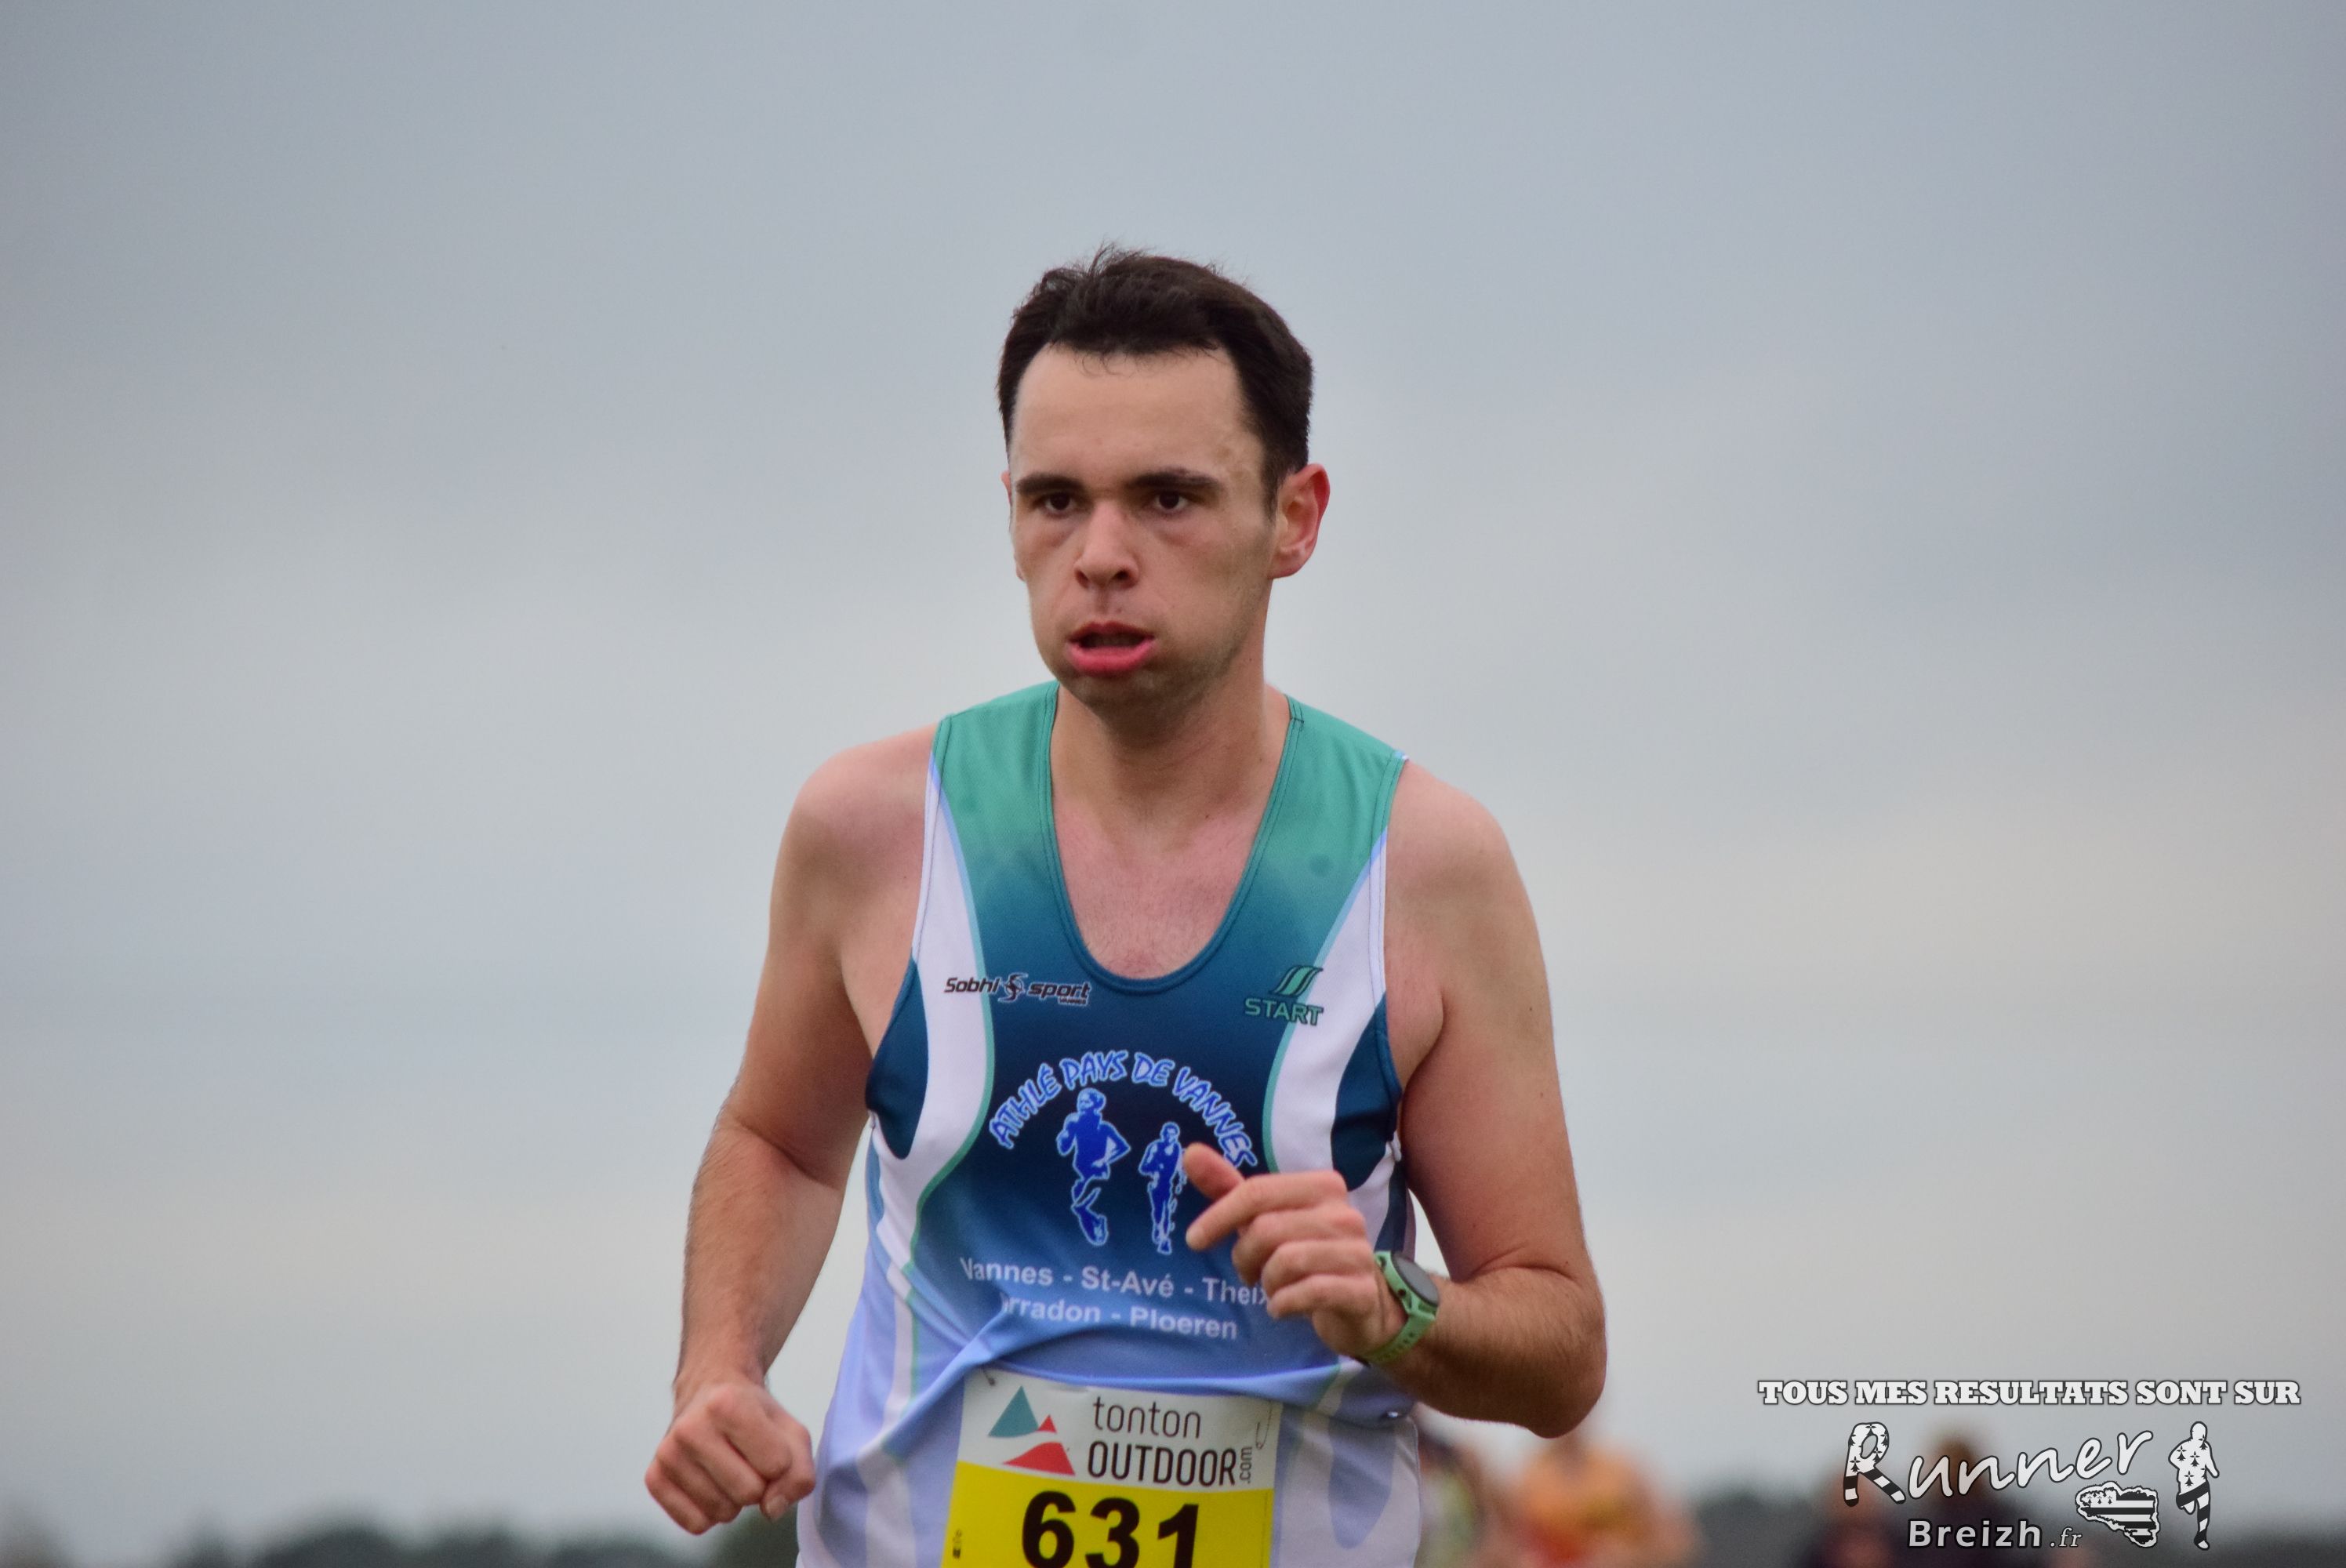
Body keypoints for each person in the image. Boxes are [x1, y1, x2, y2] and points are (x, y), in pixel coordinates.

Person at [643, 246, 1606, 1566]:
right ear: (1009, 515)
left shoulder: (1427, 866)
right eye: (1056, 501)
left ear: (1295, 518)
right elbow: (781, 1143)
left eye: (1168, 498)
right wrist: (718, 1368)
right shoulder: (870, 830)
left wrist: (1395, 1305)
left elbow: (1561, 1352)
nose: (1100, 556)